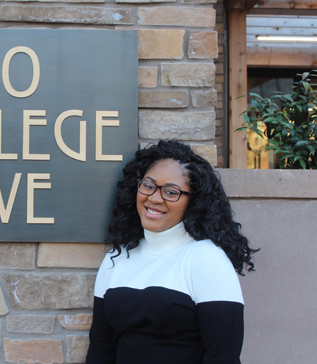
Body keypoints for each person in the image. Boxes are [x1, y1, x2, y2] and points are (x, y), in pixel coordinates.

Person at [86, 140, 257, 364]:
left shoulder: (206, 259)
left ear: (193, 201)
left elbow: (223, 356)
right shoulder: (115, 260)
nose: (155, 198)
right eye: (148, 185)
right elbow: (102, 349)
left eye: (171, 192)